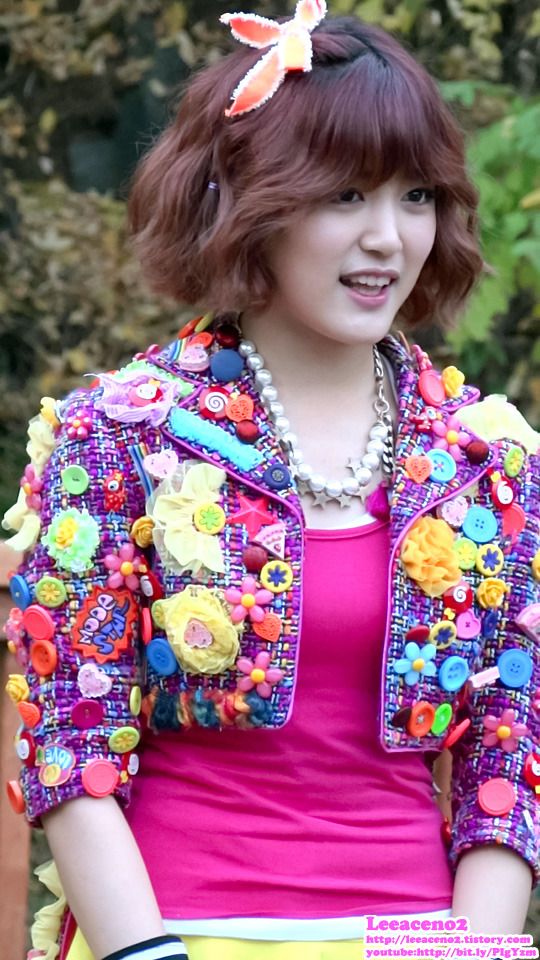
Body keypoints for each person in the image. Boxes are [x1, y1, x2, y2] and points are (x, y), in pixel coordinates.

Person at [3, 3, 540, 960]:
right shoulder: (117, 436)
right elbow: (71, 744)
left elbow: (511, 747)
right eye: (346, 194)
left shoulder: (484, 457)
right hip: (171, 937)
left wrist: (467, 957)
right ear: (250, 200)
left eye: (417, 195)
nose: (388, 237)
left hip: (420, 946)